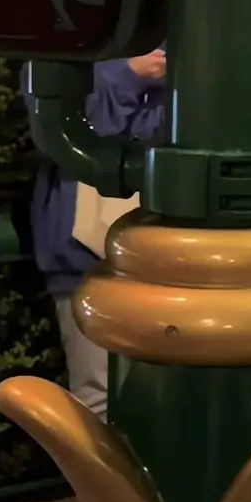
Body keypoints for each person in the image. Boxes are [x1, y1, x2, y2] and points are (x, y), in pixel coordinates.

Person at [23, 52, 167, 420]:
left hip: (171, 262)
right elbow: (59, 134)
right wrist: (130, 75)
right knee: (98, 400)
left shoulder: (191, 42)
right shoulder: (65, 45)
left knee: (168, 400)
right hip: (85, 262)